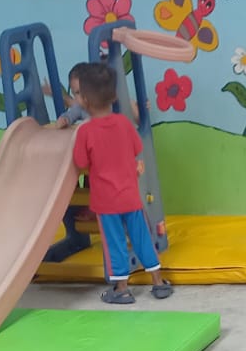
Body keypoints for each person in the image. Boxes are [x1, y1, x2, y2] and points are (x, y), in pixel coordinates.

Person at [70, 63, 172, 305]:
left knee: (114, 243)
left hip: (106, 203)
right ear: (114, 96)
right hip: (130, 197)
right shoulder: (124, 123)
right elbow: (136, 148)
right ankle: (158, 283)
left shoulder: (85, 132)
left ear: (84, 100)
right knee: (142, 237)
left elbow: (80, 162)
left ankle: (122, 289)